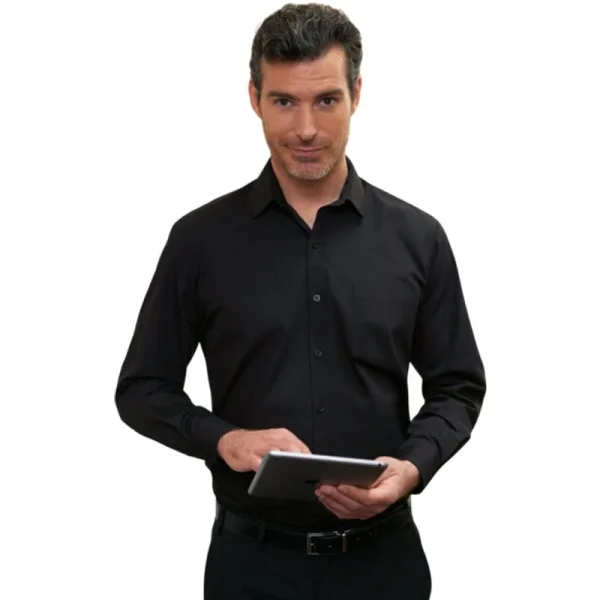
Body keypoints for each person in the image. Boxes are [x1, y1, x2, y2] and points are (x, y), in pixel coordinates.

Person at [114, 3, 486, 598]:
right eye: (285, 101)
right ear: (255, 98)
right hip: (250, 567)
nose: (306, 129)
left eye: (326, 100)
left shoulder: (419, 238)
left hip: (385, 566)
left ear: (356, 95)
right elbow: (141, 389)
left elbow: (459, 386)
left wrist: (413, 467)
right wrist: (225, 440)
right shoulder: (199, 240)